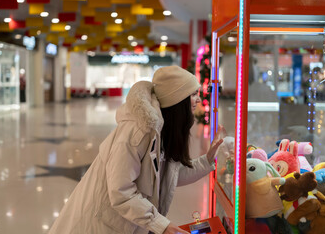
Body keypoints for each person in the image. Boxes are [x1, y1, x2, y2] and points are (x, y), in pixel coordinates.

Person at [48, 66, 225, 234]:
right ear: (177, 99)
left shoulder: (163, 130)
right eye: (193, 94)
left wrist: (207, 160)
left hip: (129, 223)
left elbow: (170, 175)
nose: (199, 100)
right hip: (101, 224)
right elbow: (121, 192)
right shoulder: (136, 131)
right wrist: (161, 224)